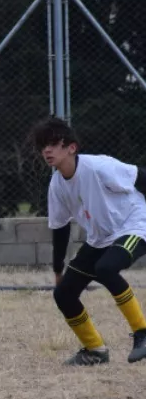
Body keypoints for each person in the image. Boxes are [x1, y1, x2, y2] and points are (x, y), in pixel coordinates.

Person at [31, 116, 146, 366]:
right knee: (63, 294)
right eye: (43, 146)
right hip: (101, 238)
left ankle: (142, 332)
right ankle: (95, 350)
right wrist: (58, 270)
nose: (47, 150)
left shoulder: (98, 166)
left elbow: (141, 177)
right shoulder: (57, 185)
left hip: (135, 225)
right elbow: (60, 228)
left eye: (53, 144)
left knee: (106, 268)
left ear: (71, 147)